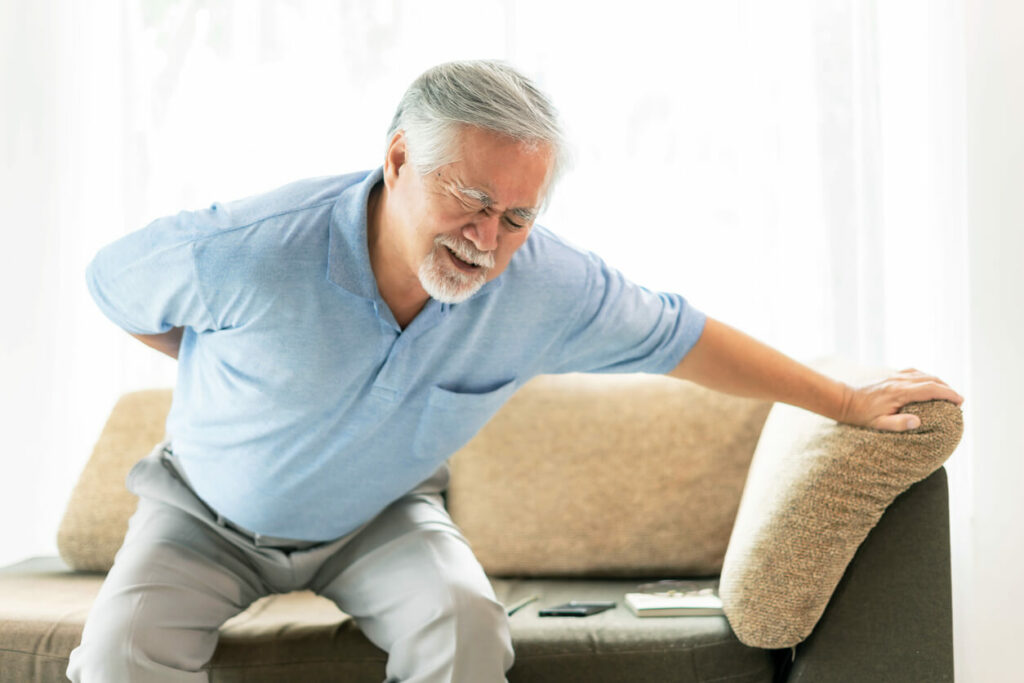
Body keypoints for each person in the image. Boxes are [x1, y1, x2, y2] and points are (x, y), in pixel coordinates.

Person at [67, 59, 964, 683]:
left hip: (378, 518)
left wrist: (844, 398)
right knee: (117, 652)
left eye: (517, 216)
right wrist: (226, 364)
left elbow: (684, 337)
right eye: (470, 199)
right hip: (204, 516)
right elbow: (113, 283)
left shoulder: (545, 285)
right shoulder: (250, 251)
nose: (487, 241)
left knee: (465, 622)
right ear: (397, 159)